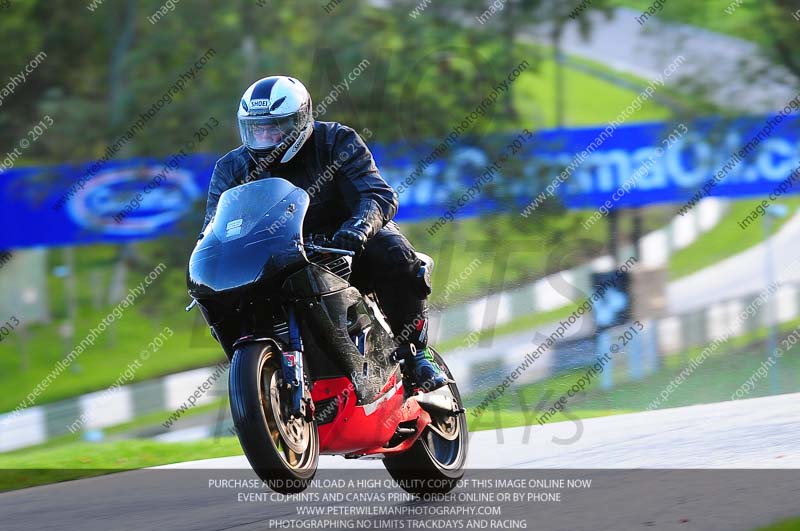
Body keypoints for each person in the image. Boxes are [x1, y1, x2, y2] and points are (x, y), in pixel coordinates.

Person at [201, 75, 447, 390]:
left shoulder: (336, 141)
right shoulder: (230, 168)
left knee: (395, 256)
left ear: (301, 120)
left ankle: (416, 355)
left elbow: (377, 194)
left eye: (275, 127)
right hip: (277, 256)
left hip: (346, 241)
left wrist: (358, 230)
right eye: (257, 129)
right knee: (223, 297)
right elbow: (214, 226)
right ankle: (262, 378)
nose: (266, 137)